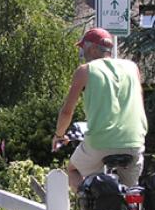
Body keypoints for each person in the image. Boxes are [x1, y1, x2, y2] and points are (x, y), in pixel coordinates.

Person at [52, 27, 147, 191]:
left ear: (94, 48)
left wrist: (59, 135)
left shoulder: (85, 70)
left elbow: (67, 112)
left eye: (84, 49)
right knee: (131, 191)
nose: (83, 55)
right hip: (134, 142)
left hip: (100, 142)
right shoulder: (133, 68)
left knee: (72, 169)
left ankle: (89, 201)